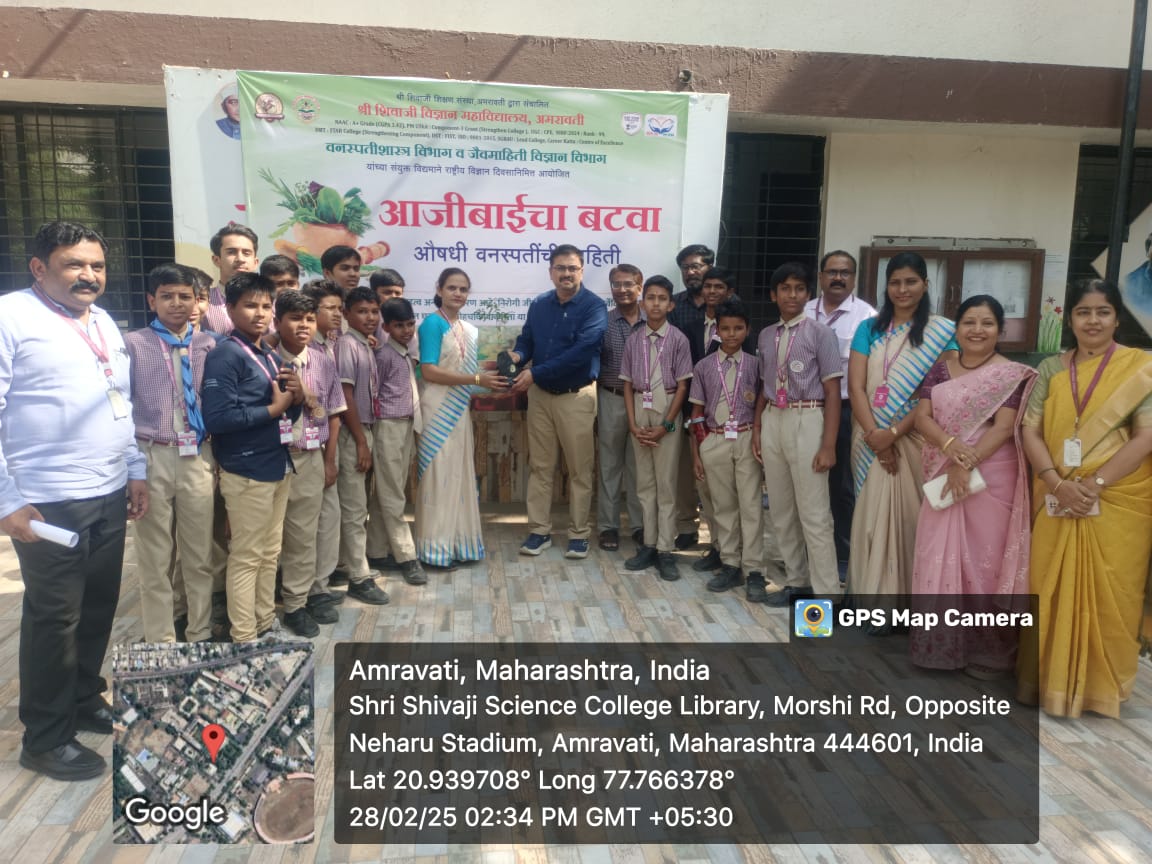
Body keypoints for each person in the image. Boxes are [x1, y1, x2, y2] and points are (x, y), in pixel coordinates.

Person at [0, 221, 148, 780]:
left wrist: (134, 469)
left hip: (108, 490)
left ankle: (85, 698)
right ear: (39, 268)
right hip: (46, 501)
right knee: (53, 621)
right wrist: (5, 500)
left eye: (97, 266)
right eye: (74, 265)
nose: (89, 276)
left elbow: (121, 401)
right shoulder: (10, 316)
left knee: (97, 607)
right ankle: (44, 737)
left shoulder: (104, 320)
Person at [1018, 278, 1152, 718]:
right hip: (1055, 494)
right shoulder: (1051, 370)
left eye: (1103, 312)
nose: (1093, 321)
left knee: (1114, 591)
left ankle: (1100, 686)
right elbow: (1029, 431)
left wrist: (1094, 486)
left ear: (1116, 317)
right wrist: (1058, 483)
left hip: (1117, 500)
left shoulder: (1140, 367)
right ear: (1069, 318)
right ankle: (1047, 683)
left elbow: (1146, 436)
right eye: (1083, 312)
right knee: (1047, 586)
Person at [909, 295, 1036, 675]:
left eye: (986, 323)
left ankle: (990, 652)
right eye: (969, 322)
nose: (977, 330)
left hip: (993, 475)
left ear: (1000, 330)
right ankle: (943, 646)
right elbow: (922, 417)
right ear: (957, 328)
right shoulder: (941, 369)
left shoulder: (1011, 373)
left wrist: (967, 462)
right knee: (939, 553)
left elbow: (1003, 426)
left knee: (986, 563)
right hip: (945, 468)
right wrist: (952, 450)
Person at [846, 251, 956, 597]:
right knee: (870, 522)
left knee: (911, 519)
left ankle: (907, 602)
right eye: (895, 282)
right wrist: (875, 436)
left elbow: (938, 392)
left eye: (910, 282)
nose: (902, 289)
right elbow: (855, 386)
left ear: (925, 284)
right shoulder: (868, 328)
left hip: (915, 438)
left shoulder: (942, 332)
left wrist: (893, 434)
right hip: (868, 437)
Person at [202, 272, 304, 642]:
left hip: (276, 464)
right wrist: (276, 410)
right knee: (246, 555)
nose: (260, 313)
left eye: (265, 306)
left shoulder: (269, 354)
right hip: (246, 468)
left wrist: (297, 398)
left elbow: (285, 412)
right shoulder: (225, 355)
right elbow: (218, 419)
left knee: (269, 551)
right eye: (249, 305)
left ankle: (264, 623)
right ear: (229, 309)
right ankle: (244, 636)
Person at [125, 263, 217, 643]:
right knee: (155, 557)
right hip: (152, 454)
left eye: (185, 296)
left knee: (198, 555)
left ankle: (200, 632)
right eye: (167, 296)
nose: (176, 303)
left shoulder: (211, 345)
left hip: (198, 456)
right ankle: (160, 639)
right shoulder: (132, 345)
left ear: (198, 301)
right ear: (152, 300)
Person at [508, 244, 607, 558]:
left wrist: (534, 372)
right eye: (560, 268)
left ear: (582, 270)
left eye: (572, 268)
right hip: (540, 397)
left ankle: (578, 534)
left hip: (575, 397)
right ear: (551, 271)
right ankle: (539, 531)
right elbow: (527, 339)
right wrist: (518, 354)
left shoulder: (594, 307)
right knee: (540, 467)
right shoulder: (539, 304)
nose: (566, 273)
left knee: (580, 470)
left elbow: (581, 352)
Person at [753, 263, 843, 605]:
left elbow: (833, 391)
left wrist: (828, 445)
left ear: (809, 294)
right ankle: (796, 581)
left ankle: (827, 594)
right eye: (785, 289)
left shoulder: (821, 333)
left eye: (799, 289)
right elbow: (764, 387)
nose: (792, 295)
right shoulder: (765, 335)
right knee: (780, 508)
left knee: (814, 512)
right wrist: (759, 427)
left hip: (809, 418)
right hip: (774, 418)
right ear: (774, 295)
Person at [416, 269, 506, 567]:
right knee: (439, 475)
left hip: (459, 411)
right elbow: (428, 370)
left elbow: (468, 375)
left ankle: (460, 545)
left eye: (463, 289)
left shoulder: (468, 329)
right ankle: (434, 550)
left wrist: (488, 379)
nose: (458, 293)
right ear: (439, 289)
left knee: (458, 475)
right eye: (452, 287)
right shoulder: (432, 324)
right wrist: (477, 376)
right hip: (436, 409)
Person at [274, 290, 347, 637]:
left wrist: (329, 460)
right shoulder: (263, 359)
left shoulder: (322, 360)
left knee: (304, 537)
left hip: (310, 456)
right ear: (278, 322)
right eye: (293, 318)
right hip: (271, 460)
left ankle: (296, 604)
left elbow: (333, 414)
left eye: (307, 319)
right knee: (266, 540)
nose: (302, 325)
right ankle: (259, 610)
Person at [805, 250, 877, 569]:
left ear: (853, 278)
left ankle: (844, 554)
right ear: (820, 277)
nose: (838, 277)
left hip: (848, 409)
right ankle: (809, 551)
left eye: (845, 273)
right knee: (807, 479)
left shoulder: (867, 317)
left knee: (843, 485)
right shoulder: (804, 312)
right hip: (808, 408)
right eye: (832, 272)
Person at [689, 298, 764, 597]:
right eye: (726, 329)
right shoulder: (704, 366)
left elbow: (763, 402)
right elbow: (695, 413)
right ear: (717, 330)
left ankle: (754, 568)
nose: (732, 334)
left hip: (746, 437)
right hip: (715, 438)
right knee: (723, 506)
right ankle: (731, 564)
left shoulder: (757, 365)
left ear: (747, 330)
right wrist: (699, 449)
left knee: (751, 505)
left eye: (738, 328)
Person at [620, 275, 693, 581]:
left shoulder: (678, 339)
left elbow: (683, 386)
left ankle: (666, 548)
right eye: (650, 298)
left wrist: (666, 425)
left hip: (666, 409)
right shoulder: (634, 339)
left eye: (662, 298)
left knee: (665, 483)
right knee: (644, 484)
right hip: (640, 405)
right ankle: (648, 544)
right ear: (642, 302)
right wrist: (633, 423)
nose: (656, 304)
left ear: (671, 304)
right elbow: (625, 385)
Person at [370, 298, 426, 584]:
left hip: (405, 427)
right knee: (394, 495)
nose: (406, 330)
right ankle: (407, 556)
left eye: (410, 324)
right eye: (399, 325)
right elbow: (372, 396)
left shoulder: (405, 355)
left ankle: (377, 551)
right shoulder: (382, 356)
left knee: (389, 492)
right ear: (386, 327)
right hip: (388, 428)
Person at [668, 243, 716, 550]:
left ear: (709, 266)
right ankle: (686, 526)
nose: (691, 272)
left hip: (719, 400)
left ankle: (719, 536)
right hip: (680, 398)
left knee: (715, 471)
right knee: (683, 467)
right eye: (686, 268)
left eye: (696, 266)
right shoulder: (675, 305)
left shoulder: (728, 303)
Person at [302, 279, 348, 596]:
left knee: (328, 517)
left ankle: (319, 584)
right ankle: (305, 590)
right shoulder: (292, 349)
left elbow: (334, 412)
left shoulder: (327, 348)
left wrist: (329, 460)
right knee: (304, 525)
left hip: (321, 449)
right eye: (329, 308)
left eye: (339, 308)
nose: (337, 314)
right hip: (293, 450)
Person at [596, 263, 646, 552]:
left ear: (640, 287)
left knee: (640, 466)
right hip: (611, 397)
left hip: (644, 401)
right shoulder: (603, 321)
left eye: (629, 284)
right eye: (617, 284)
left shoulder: (653, 321)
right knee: (609, 465)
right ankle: (608, 527)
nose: (623, 289)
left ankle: (639, 527)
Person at [204, 223, 259, 335]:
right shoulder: (203, 302)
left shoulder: (271, 304)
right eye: (231, 252)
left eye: (246, 253)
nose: (240, 259)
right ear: (216, 260)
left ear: (255, 262)